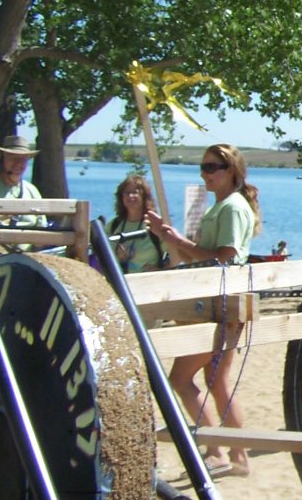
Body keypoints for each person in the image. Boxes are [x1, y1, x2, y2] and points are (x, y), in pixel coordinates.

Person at [146, 144, 260, 478]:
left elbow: (225, 257)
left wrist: (179, 242)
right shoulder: (224, 206)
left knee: (180, 379)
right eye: (203, 167)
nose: (205, 173)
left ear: (231, 171)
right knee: (217, 381)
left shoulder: (232, 207)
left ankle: (216, 450)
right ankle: (236, 456)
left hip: (219, 304)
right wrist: (169, 237)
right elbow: (200, 256)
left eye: (212, 167)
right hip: (222, 303)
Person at [0, 134, 47, 251]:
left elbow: (42, 234)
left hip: (24, 256)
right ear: (2, 158)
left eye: (22, 159)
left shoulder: (32, 191)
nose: (18, 163)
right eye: (13, 158)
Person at [105, 174, 166, 273]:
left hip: (148, 281)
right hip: (117, 281)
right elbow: (101, 256)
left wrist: (162, 270)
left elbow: (176, 256)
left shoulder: (154, 224)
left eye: (135, 192)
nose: (130, 196)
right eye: (127, 193)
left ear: (144, 196)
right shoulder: (113, 225)